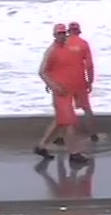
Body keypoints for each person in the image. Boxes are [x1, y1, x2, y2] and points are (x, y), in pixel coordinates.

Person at [36, 23, 89, 164]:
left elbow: (75, 67)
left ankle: (41, 146)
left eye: (63, 33)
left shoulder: (69, 49)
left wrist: (82, 85)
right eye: (59, 33)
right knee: (69, 123)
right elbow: (42, 71)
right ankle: (74, 153)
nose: (62, 35)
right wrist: (53, 85)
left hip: (71, 90)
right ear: (54, 35)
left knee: (60, 123)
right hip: (60, 92)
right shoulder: (51, 51)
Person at [63, 22, 98, 142]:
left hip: (65, 81)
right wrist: (90, 81)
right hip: (79, 80)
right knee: (86, 108)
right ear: (79, 31)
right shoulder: (83, 44)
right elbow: (89, 65)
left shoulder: (63, 44)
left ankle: (66, 135)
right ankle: (93, 134)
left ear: (68, 31)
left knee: (66, 108)